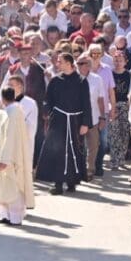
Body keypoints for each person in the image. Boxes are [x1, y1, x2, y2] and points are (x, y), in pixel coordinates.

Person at [36, 52, 92, 195]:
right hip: (58, 121)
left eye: (60, 61)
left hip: (75, 121)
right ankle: (58, 184)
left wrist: (85, 123)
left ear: (68, 63)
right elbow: (48, 99)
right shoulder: (55, 80)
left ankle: (72, 181)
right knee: (57, 150)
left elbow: (86, 103)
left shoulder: (81, 81)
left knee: (74, 150)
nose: (57, 64)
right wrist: (46, 111)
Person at [0, 86, 34, 227]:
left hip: (11, 157)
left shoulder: (13, 112)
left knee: (13, 186)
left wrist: (5, 159)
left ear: (3, 99)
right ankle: (6, 215)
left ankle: (15, 217)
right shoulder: (14, 110)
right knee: (5, 186)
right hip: (11, 155)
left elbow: (9, 137)